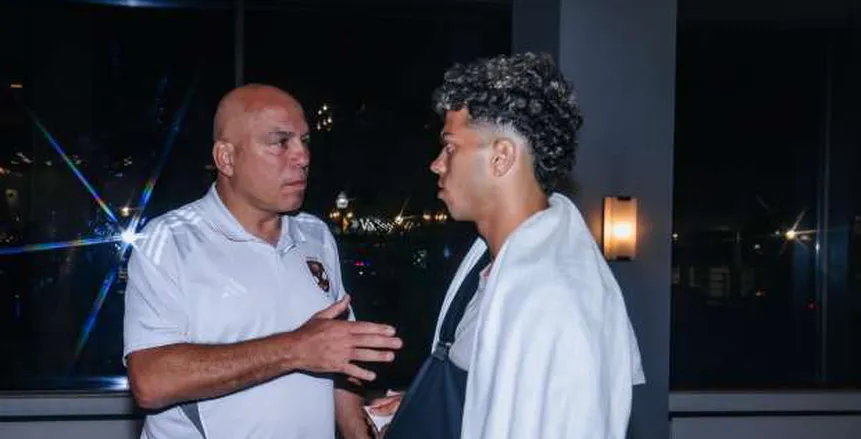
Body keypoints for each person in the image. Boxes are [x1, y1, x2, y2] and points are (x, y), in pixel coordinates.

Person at [368, 53, 645, 439]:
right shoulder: (498, 273)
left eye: (450, 147)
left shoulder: (555, 299)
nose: (436, 164)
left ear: (501, 158)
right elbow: (494, 401)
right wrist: (424, 411)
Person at [123, 84, 402, 439]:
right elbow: (151, 381)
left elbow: (337, 358)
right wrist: (295, 349)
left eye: (304, 141)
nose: (302, 156)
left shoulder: (315, 235)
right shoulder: (170, 240)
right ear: (226, 158)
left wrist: (359, 432)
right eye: (280, 142)